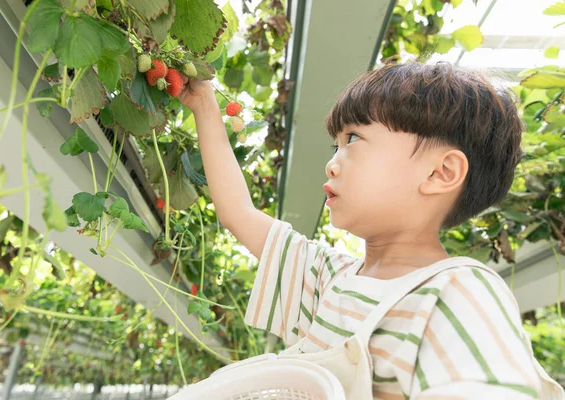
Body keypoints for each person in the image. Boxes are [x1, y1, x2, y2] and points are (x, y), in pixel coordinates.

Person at [179, 62, 564, 399]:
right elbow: (237, 212)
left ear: (439, 173)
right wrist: (204, 105)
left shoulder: (457, 292)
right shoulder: (330, 280)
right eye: (336, 145)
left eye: (353, 139)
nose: (332, 164)